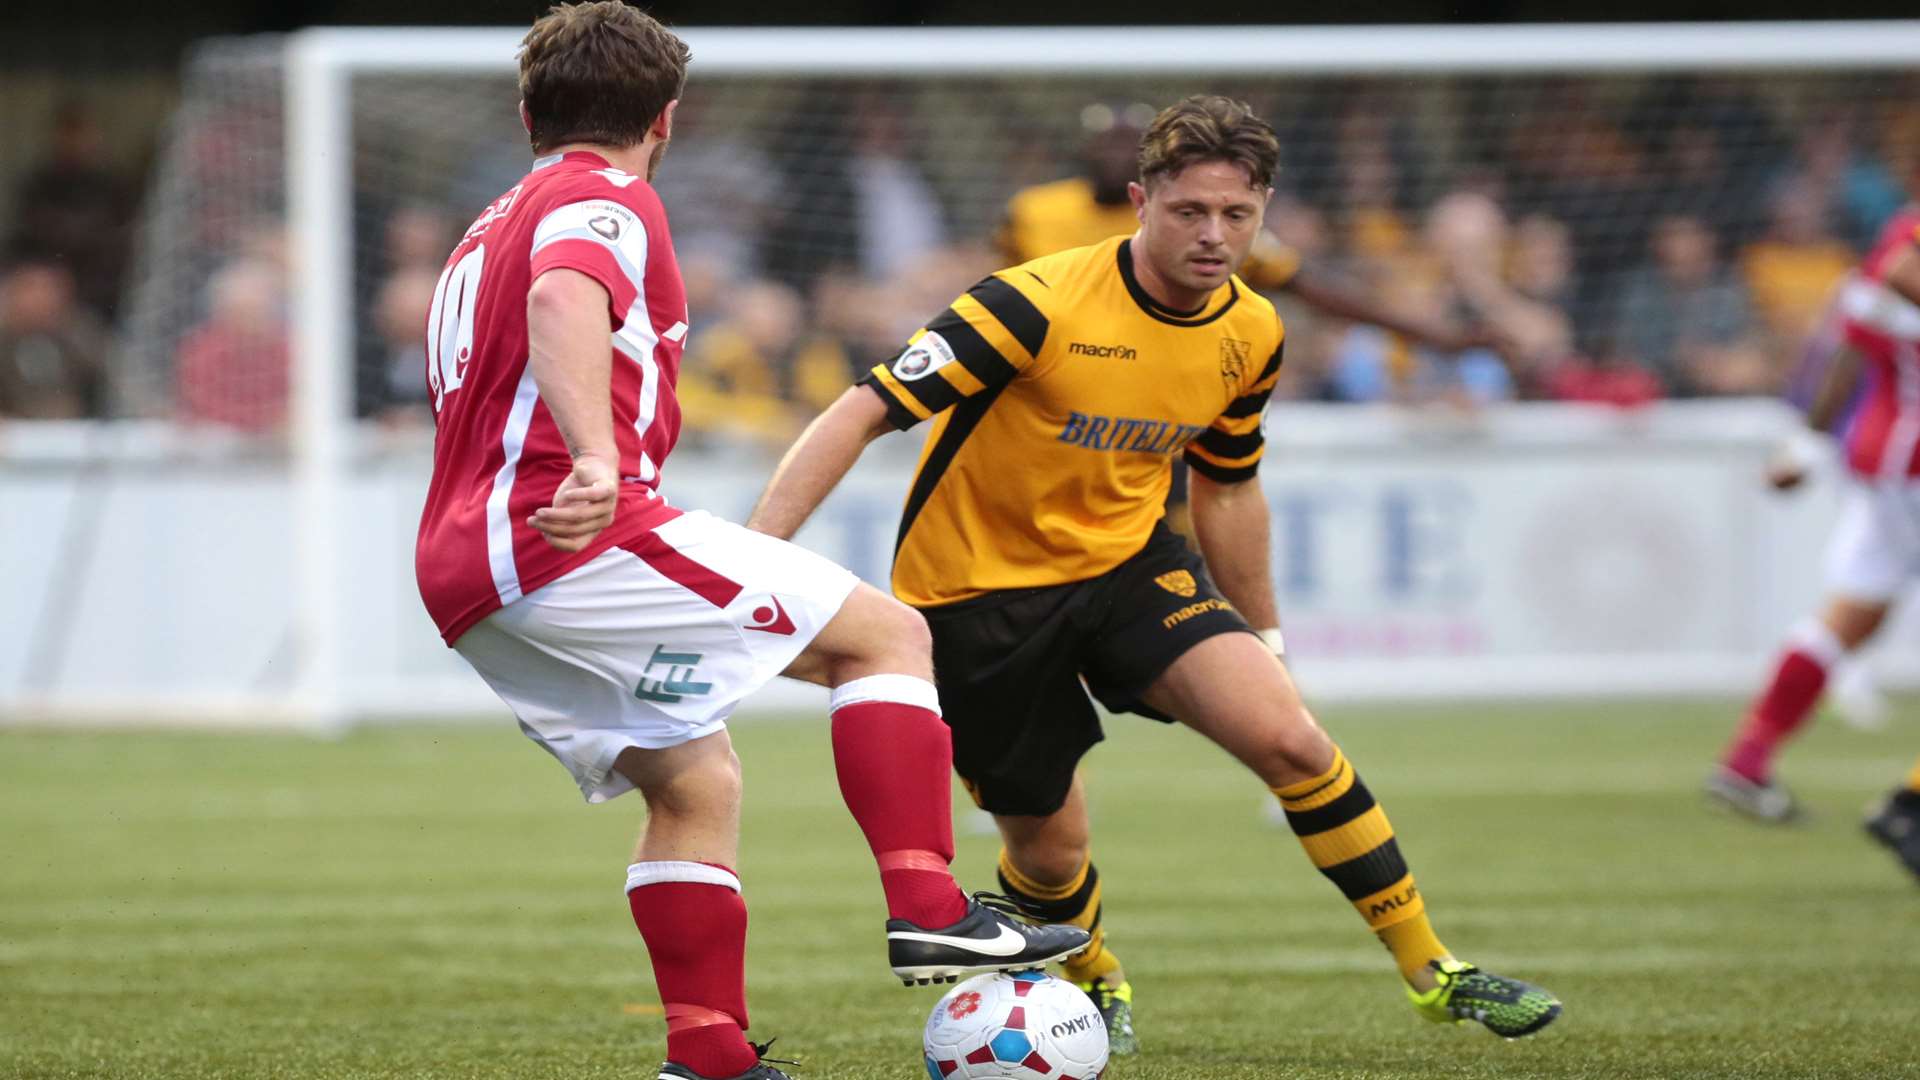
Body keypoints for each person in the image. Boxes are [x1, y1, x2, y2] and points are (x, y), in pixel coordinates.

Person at [747, 95, 1562, 1054]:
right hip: (975, 596)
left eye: (1238, 215)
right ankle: (1095, 972)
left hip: (1130, 566)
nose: (1215, 236)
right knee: (1049, 856)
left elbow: (1228, 489)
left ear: (1263, 214)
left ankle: (1434, 970)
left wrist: (1266, 638)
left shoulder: (1251, 329)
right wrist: (755, 562)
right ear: (1141, 201)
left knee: (1292, 742)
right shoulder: (1033, 302)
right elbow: (860, 410)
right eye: (1190, 212)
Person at [410, 9, 1087, 1080]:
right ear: (667, 121)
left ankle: (708, 1054)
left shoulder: (490, 219)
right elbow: (562, 294)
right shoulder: (605, 196)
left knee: (694, 784)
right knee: (886, 637)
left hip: (466, 564)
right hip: (568, 533)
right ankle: (930, 906)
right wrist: (594, 457)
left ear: (527, 112)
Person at [1708, 201, 1920, 884]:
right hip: (1909, 460)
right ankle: (1912, 805)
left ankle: (1749, 757)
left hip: (1887, 461)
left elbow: (1852, 346)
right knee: (1852, 615)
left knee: (1853, 615)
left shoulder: (1888, 246)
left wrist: (1808, 441)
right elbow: (1898, 272)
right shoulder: (1901, 251)